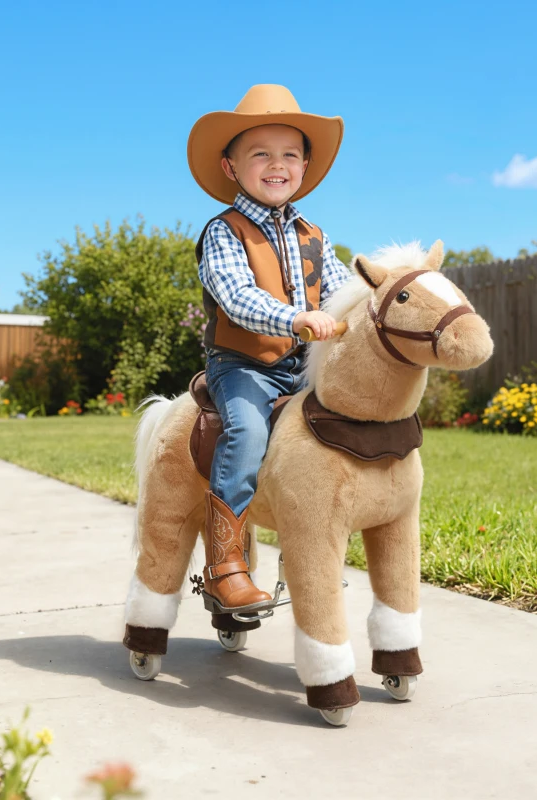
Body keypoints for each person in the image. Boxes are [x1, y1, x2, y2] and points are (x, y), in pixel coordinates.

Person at [187, 84, 351, 613]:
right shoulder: (223, 232)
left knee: (349, 427)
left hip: (300, 367)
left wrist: (370, 307)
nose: (276, 165)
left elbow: (343, 293)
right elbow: (237, 297)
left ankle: (323, 544)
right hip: (243, 364)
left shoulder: (315, 237)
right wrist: (299, 317)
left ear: (304, 166)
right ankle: (224, 565)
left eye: (289, 154)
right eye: (260, 153)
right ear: (231, 166)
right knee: (247, 428)